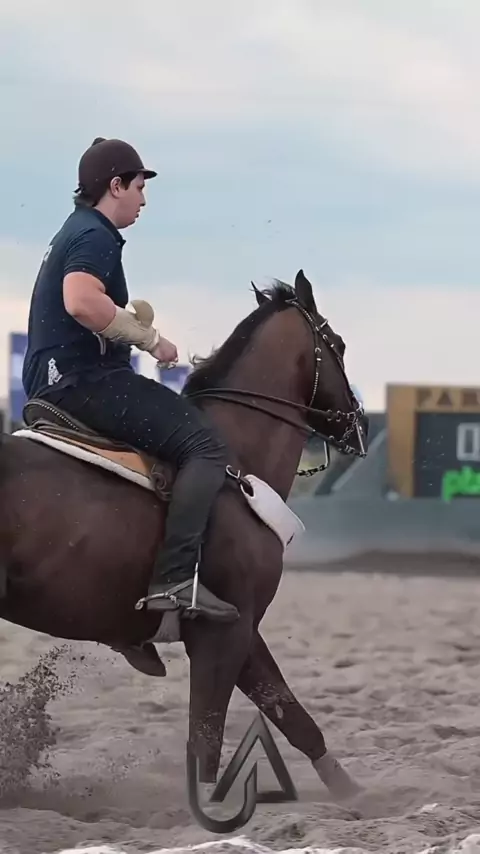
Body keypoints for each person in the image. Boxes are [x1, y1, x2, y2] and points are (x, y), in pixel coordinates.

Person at [22, 137, 239, 676]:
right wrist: (149, 338)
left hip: (53, 381)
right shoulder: (96, 234)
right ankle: (175, 580)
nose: (144, 199)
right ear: (115, 186)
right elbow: (80, 301)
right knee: (205, 447)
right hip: (84, 383)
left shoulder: (74, 230)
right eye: (139, 187)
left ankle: (121, 607)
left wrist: (122, 316)